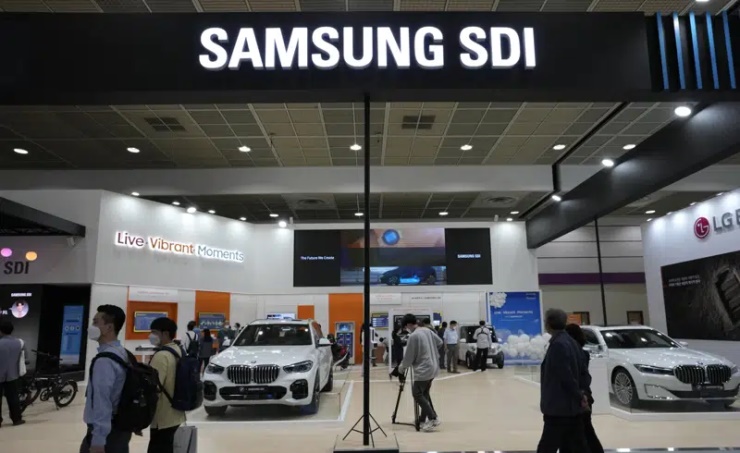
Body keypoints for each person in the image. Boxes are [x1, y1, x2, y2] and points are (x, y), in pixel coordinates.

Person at [536, 309, 589, 453]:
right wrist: (581, 394)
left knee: (547, 447)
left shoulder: (558, 345)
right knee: (573, 446)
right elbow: (583, 373)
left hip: (559, 407)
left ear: (548, 324)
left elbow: (565, 376)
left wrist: (579, 395)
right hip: (571, 408)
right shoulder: (571, 342)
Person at [81, 305, 130, 453]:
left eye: (96, 322)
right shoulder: (122, 353)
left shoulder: (104, 361)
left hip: (107, 435)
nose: (91, 326)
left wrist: (98, 440)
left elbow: (102, 401)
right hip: (120, 429)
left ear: (109, 327)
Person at [397, 314, 443, 432]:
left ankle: (433, 418)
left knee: (417, 393)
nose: (406, 329)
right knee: (425, 393)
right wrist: (431, 351)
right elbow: (440, 342)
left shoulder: (414, 336)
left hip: (424, 369)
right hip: (433, 367)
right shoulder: (427, 330)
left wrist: (401, 368)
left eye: (405, 327)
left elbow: (409, 357)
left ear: (408, 324)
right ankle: (422, 420)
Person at [148, 317, 186, 453]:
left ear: (165, 334)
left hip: (162, 416)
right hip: (176, 412)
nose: (151, 335)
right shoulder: (178, 350)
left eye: (154, 332)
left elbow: (153, 387)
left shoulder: (161, 356)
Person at [565, 323, 604, 453]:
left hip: (579, 397)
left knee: (584, 432)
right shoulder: (583, 354)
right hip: (585, 395)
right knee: (586, 430)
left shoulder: (574, 354)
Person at [0, 319, 25, 427]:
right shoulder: (19, 342)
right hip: (13, 374)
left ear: (1, 331)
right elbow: (24, 358)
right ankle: (16, 419)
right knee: (14, 398)